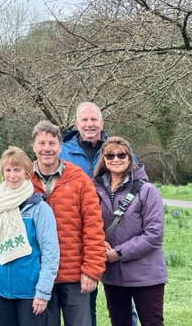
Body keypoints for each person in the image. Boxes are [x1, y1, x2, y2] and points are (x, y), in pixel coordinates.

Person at [60, 102, 139, 326]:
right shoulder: (62, 152)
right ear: (76, 124)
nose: (89, 124)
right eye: (84, 120)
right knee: (86, 298)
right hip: (80, 236)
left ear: (102, 123)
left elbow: (138, 185)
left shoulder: (118, 149)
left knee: (124, 300)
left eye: (94, 119)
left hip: (117, 233)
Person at [30, 120, 106, 326]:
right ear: (34, 146)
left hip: (74, 274)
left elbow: (93, 227)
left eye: (52, 143)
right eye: (42, 143)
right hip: (36, 274)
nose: (47, 148)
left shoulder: (79, 179)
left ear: (60, 146)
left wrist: (91, 269)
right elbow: (3, 218)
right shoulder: (22, 178)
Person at [0, 146, 59, 326]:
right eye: (8, 170)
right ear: (2, 173)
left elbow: (50, 253)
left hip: (30, 291)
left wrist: (43, 291)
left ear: (27, 173)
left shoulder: (40, 209)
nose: (12, 175)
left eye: (17, 170)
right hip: (0, 288)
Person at [93, 137, 167, 326]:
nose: (116, 159)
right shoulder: (95, 190)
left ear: (129, 157)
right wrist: (98, 244)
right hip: (113, 276)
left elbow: (154, 234)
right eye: (110, 155)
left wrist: (118, 253)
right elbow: (90, 224)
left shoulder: (147, 190)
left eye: (121, 154)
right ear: (103, 160)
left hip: (146, 274)